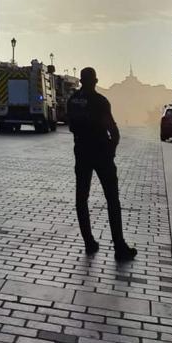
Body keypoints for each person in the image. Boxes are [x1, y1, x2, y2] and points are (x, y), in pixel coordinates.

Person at [67, 67, 137, 262]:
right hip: (101, 154)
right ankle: (119, 246)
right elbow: (113, 130)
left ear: (81, 81)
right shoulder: (100, 101)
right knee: (112, 199)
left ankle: (89, 242)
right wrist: (111, 151)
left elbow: (71, 126)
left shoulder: (72, 101)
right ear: (95, 81)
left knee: (81, 198)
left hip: (81, 153)